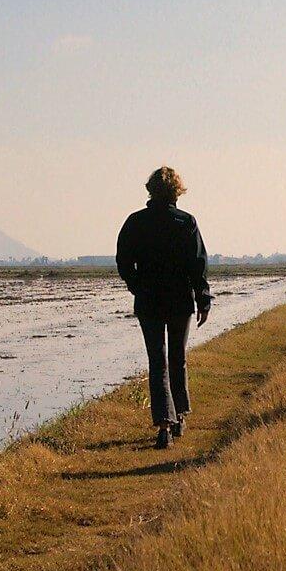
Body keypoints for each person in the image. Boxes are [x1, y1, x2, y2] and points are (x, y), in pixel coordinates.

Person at [115, 166, 213, 450]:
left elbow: (123, 261)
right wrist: (203, 300)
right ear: (176, 192)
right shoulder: (186, 222)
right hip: (180, 300)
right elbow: (198, 265)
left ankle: (164, 426)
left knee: (157, 362)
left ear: (151, 190)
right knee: (177, 358)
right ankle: (179, 415)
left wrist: (137, 286)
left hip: (149, 301)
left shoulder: (136, 222)